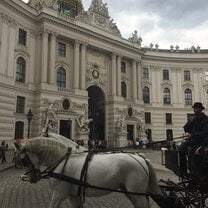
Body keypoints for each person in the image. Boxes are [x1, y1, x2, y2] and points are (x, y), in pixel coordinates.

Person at [179, 102, 208, 174]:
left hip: (201, 141)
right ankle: (183, 170)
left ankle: (195, 170)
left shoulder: (205, 119)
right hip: (192, 141)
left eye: (198, 108)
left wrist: (192, 135)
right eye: (195, 108)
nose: (196, 110)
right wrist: (190, 121)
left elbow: (205, 133)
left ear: (201, 110)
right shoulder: (193, 118)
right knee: (181, 149)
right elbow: (185, 128)